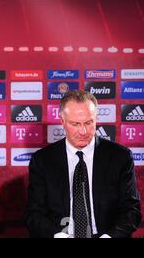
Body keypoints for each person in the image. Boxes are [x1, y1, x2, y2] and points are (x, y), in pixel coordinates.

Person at [26, 90, 141, 238]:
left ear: (96, 119)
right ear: (62, 121)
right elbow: (34, 215)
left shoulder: (120, 157)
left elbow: (131, 211)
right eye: (75, 124)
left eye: (88, 122)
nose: (83, 131)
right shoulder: (42, 160)